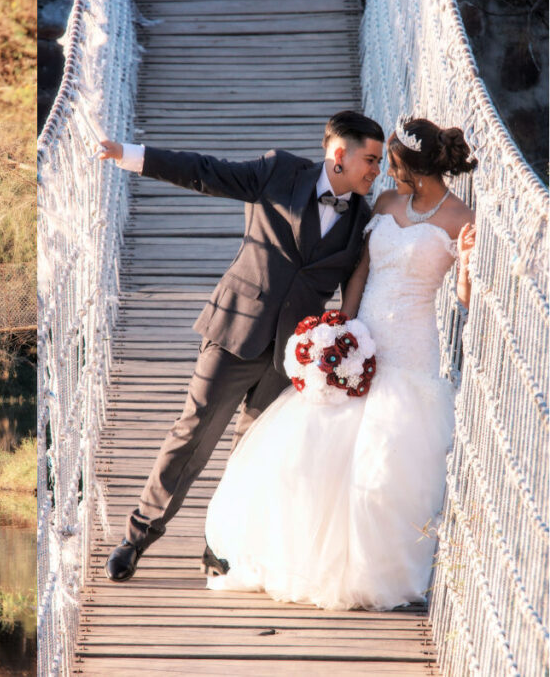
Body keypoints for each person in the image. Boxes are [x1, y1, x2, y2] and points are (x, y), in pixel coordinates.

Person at [201, 117, 477, 610]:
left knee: (388, 455)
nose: (385, 177)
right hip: (364, 336)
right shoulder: (389, 205)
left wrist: (471, 265)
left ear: (415, 168)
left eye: (392, 167)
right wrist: (340, 330)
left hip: (413, 347)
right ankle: (309, 552)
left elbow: (464, 300)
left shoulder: (460, 218)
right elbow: (361, 272)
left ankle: (377, 567)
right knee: (319, 442)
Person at [98, 111, 386, 582]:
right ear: (339, 155)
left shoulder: (365, 221)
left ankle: (221, 545)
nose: (377, 170)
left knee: (252, 454)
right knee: (192, 434)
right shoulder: (278, 172)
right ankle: (137, 537)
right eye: (371, 160)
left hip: (295, 355)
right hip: (236, 329)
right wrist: (130, 156)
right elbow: (206, 172)